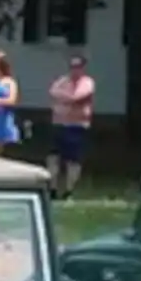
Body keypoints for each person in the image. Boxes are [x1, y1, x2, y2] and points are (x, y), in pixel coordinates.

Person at [47, 54, 95, 195]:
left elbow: (78, 96)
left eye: (78, 67)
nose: (75, 70)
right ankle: (53, 188)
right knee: (53, 157)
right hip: (58, 124)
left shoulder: (87, 82)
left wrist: (64, 98)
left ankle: (69, 190)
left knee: (73, 160)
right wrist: (68, 99)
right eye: (72, 67)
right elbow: (52, 92)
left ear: (83, 68)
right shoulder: (63, 81)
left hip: (77, 126)